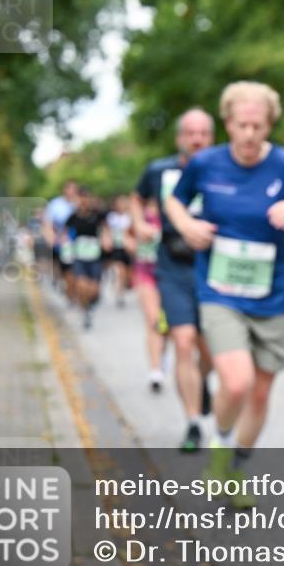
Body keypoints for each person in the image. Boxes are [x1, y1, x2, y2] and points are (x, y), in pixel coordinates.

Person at [167, 81, 284, 503]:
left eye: (259, 126)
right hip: (219, 290)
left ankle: (235, 467)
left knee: (260, 391)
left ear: (269, 124)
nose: (250, 134)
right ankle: (219, 445)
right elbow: (174, 201)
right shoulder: (205, 164)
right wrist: (186, 226)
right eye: (242, 125)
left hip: (271, 294)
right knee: (236, 383)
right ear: (228, 123)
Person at [132, 108, 216, 452]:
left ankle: (202, 379)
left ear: (211, 138)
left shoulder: (224, 169)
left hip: (214, 266)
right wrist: (138, 223)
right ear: (180, 137)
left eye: (203, 133)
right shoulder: (159, 170)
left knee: (209, 348)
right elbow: (137, 199)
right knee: (183, 340)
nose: (196, 139)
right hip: (172, 265)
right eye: (190, 133)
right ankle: (193, 422)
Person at [64, 188, 110, 330]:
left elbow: (106, 228)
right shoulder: (73, 217)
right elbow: (65, 233)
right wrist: (65, 246)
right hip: (79, 256)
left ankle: (90, 304)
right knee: (82, 285)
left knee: (94, 289)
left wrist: (106, 239)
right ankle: (85, 311)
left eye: (86, 198)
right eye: (80, 198)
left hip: (95, 256)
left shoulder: (97, 215)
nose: (83, 201)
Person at [133, 199, 166, 393]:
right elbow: (127, 236)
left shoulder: (174, 208)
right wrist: (136, 241)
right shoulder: (140, 213)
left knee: (167, 325)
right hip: (146, 272)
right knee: (153, 320)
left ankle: (162, 357)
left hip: (170, 274)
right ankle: (155, 370)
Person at [42, 180, 78, 299]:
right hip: (60, 241)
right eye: (70, 188)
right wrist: (51, 238)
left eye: (74, 189)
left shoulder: (79, 203)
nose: (72, 191)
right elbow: (48, 223)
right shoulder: (55, 204)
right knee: (64, 266)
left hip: (76, 241)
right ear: (64, 190)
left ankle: (72, 289)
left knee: (73, 267)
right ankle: (63, 283)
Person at [105, 194, 133, 308]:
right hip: (116, 247)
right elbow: (107, 230)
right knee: (119, 270)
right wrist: (107, 240)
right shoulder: (111, 217)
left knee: (126, 273)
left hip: (127, 248)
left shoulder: (129, 216)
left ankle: (121, 288)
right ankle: (118, 293)